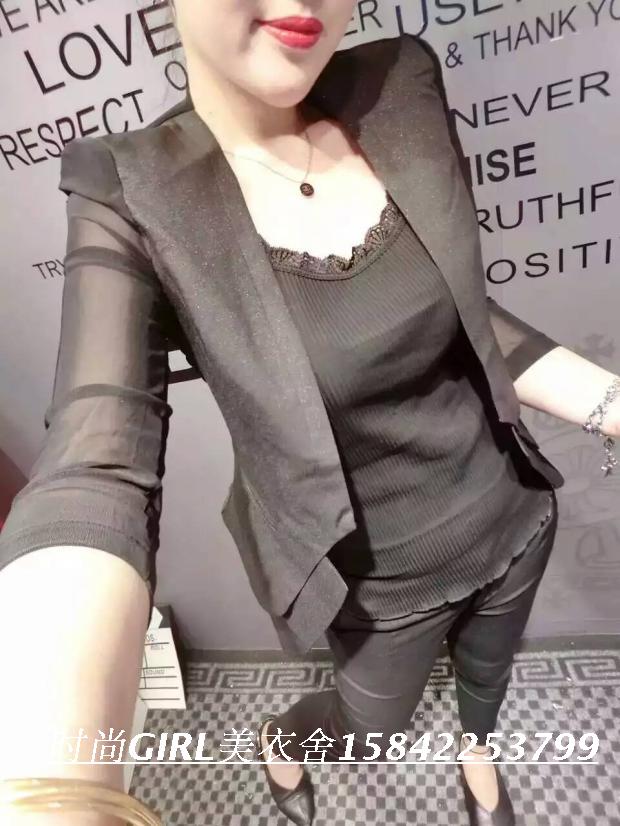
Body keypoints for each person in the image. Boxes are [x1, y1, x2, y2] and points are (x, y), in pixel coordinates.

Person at [1, 2, 619, 825]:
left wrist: (611, 405)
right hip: (380, 584)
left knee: (487, 679)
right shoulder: (132, 191)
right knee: (369, 734)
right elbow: (95, 465)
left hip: (515, 514)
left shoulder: (401, 86)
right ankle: (283, 742)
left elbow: (467, 319)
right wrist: (55, 795)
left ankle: (477, 753)